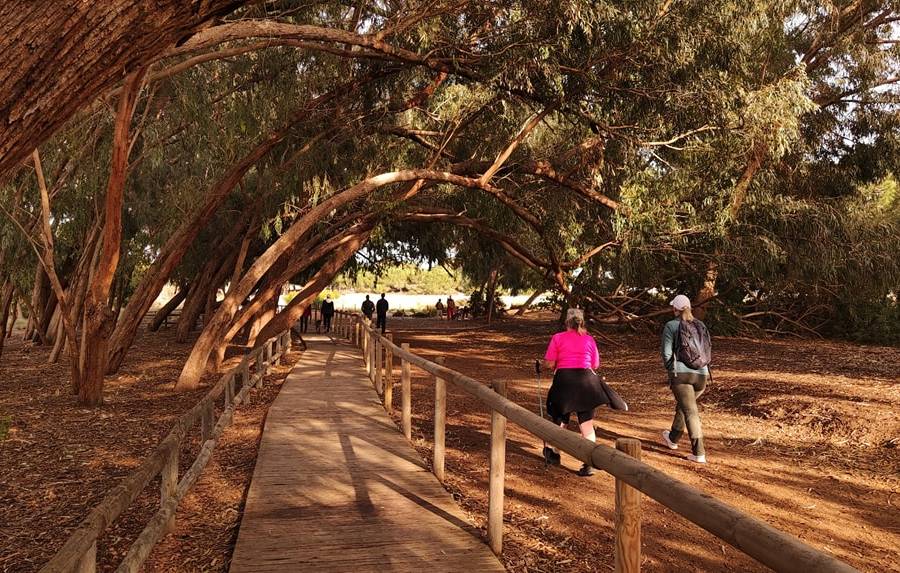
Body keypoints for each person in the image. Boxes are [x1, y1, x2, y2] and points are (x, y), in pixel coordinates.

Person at [543, 308, 609, 477]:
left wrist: (556, 363)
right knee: (586, 423)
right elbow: (595, 364)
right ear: (582, 322)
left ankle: (553, 453)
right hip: (588, 382)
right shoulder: (589, 339)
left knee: (560, 419)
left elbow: (550, 363)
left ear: (566, 322)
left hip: (564, 381)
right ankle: (589, 462)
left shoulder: (557, 338)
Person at [660, 294, 711, 464]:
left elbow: (667, 353)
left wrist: (671, 369)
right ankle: (673, 438)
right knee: (685, 406)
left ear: (675, 309)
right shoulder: (701, 325)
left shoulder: (671, 326)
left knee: (690, 411)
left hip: (682, 375)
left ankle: (699, 452)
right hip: (702, 375)